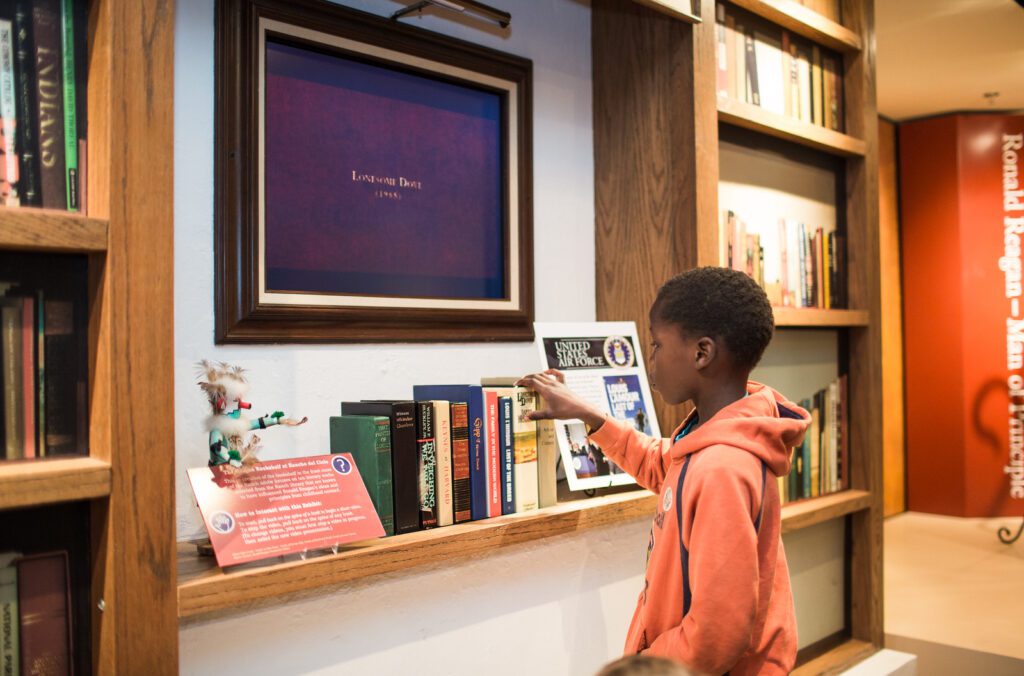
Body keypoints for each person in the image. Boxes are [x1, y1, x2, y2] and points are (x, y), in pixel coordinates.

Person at [518, 267, 809, 675]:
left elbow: (717, 633)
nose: (650, 357)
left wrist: (642, 664)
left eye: (656, 344)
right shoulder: (710, 435)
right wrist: (588, 414)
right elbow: (664, 465)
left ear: (701, 353)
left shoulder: (723, 467)